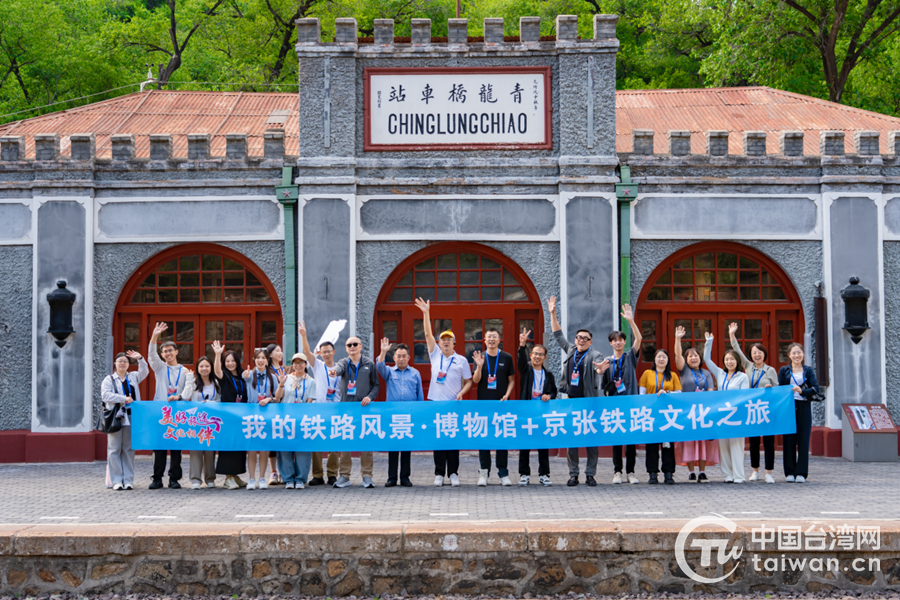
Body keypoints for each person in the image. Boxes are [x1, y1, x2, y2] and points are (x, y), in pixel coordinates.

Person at [549, 295, 611, 487]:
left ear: (590, 342)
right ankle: (573, 474)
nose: (582, 340)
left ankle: (590, 474)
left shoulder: (595, 354)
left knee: (591, 440)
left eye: (586, 338)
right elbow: (558, 334)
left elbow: (598, 368)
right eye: (579, 337)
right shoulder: (570, 350)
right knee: (572, 440)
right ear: (575, 340)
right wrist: (552, 312)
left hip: (589, 403)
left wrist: (600, 369)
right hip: (571, 402)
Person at [415, 298, 473, 487]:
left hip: (453, 404)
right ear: (439, 343)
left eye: (449, 340)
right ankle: (439, 473)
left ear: (454, 343)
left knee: (453, 439)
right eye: (443, 340)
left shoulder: (461, 360)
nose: (446, 342)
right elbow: (427, 333)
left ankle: (453, 473)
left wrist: (462, 392)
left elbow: (469, 381)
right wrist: (426, 313)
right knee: (438, 438)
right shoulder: (435, 355)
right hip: (435, 403)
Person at [597, 305, 643, 485]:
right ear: (610, 343)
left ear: (624, 342)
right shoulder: (607, 361)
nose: (617, 343)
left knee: (631, 439)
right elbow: (603, 384)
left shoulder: (630, 356)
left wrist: (630, 321)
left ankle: (631, 472)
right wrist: (599, 371)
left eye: (620, 340)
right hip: (614, 406)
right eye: (614, 340)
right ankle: (617, 471)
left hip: (630, 404)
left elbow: (639, 339)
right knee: (617, 439)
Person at [728, 322, 778, 484]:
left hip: (767, 410)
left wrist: (771, 388)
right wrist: (732, 334)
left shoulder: (770, 370)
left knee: (769, 443)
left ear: (764, 354)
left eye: (759, 352)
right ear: (751, 355)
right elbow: (737, 350)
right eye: (754, 352)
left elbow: (778, 390)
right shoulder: (748, 366)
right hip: (752, 410)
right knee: (754, 443)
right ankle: (755, 470)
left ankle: (769, 472)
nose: (757, 355)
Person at [330, 336, 380, 488]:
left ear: (361, 346)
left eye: (355, 344)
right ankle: (344, 476)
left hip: (364, 409)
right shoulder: (343, 363)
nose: (352, 347)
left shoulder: (369, 364)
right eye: (349, 345)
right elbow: (338, 369)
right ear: (346, 348)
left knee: (366, 442)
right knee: (345, 443)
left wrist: (370, 397)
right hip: (346, 409)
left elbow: (376, 385)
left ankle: (367, 476)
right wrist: (334, 372)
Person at [375, 338, 424, 487]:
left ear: (408, 357)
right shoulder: (389, 372)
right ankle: (392, 478)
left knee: (406, 447)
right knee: (393, 446)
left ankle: (405, 477)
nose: (401, 358)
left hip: (409, 415)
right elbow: (379, 365)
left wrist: (419, 414)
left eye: (404, 356)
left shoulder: (415, 373)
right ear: (394, 358)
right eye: (398, 356)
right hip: (393, 415)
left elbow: (420, 396)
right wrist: (383, 351)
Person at [673, 326, 718, 483]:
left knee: (702, 441)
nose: (693, 358)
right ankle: (691, 472)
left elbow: (711, 391)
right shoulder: (683, 370)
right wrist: (678, 338)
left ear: (700, 358)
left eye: (696, 355)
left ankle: (702, 472)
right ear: (686, 360)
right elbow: (677, 354)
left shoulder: (706, 373)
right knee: (689, 441)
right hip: (687, 412)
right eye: (690, 356)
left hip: (703, 412)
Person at [703, 332, 749, 483]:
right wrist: (709, 341)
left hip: (736, 415)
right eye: (727, 359)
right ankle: (727, 475)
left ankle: (739, 475)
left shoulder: (742, 377)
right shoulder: (720, 373)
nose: (729, 362)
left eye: (732, 359)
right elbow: (707, 359)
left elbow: (744, 396)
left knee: (736, 445)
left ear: (737, 361)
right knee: (723, 446)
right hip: (722, 415)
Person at [471, 328, 516, 486]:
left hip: (501, 405)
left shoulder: (506, 357)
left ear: (499, 340)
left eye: (494, 337)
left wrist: (507, 395)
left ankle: (503, 473)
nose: (491, 339)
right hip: (484, 405)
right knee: (484, 438)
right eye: (488, 337)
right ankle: (484, 472)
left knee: (501, 438)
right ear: (484, 340)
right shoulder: (480, 357)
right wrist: (478, 366)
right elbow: (476, 381)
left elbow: (511, 380)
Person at [298, 321, 340, 486]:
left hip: (335, 410)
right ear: (320, 354)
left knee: (333, 444)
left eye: (329, 351)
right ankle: (317, 475)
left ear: (334, 352)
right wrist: (304, 335)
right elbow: (307, 352)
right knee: (316, 443)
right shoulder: (318, 366)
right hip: (318, 410)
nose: (327, 354)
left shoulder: (341, 368)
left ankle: (332, 474)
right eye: (324, 352)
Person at [147, 322, 188, 489]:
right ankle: (157, 478)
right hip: (161, 413)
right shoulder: (159, 368)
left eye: (170, 350)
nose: (168, 353)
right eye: (165, 351)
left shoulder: (185, 371)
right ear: (162, 355)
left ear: (176, 352)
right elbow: (151, 355)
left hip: (177, 413)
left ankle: (174, 478)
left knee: (176, 447)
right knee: (159, 447)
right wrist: (154, 336)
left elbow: (187, 392)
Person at [516, 328, 557, 486]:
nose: (538, 356)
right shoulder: (526, 370)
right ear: (531, 355)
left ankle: (544, 474)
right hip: (527, 412)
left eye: (541, 354)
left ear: (544, 357)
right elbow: (520, 361)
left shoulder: (549, 374)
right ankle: (524, 474)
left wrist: (549, 395)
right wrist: (522, 345)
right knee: (524, 444)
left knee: (542, 444)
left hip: (542, 413)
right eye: (535, 354)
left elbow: (553, 391)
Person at [102, 350, 148, 491]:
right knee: (114, 448)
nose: (122, 363)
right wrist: (123, 399)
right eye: (120, 361)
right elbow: (105, 395)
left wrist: (140, 358)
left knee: (128, 448)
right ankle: (116, 480)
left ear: (128, 364)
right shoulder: (109, 379)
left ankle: (128, 480)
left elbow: (145, 371)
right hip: (116, 417)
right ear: (115, 363)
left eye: (125, 361)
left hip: (131, 416)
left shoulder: (133, 377)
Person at [639, 349, 681, 485]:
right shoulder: (647, 374)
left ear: (668, 360)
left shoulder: (673, 375)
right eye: (659, 357)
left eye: (664, 357)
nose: (661, 359)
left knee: (667, 445)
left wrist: (667, 392)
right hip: (651, 414)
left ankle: (668, 473)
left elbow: (679, 393)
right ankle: (652, 473)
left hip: (668, 414)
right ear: (654, 359)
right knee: (651, 444)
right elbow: (642, 394)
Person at [779, 343, 819, 483]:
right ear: (789, 355)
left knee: (803, 439)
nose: (797, 355)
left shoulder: (808, 370)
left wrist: (802, 391)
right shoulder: (784, 370)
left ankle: (801, 473)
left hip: (803, 406)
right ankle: (789, 472)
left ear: (803, 354)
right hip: (788, 407)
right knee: (788, 439)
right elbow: (780, 389)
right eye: (794, 353)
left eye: (799, 352)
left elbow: (815, 388)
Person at [246, 348, 285, 489]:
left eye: (263, 358)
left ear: (267, 360)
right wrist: (244, 376)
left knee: (263, 448)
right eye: (258, 358)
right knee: (251, 448)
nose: (260, 360)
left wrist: (269, 398)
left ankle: (262, 478)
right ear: (254, 360)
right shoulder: (248, 375)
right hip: (251, 415)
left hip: (266, 415)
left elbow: (277, 398)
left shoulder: (272, 377)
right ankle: (251, 479)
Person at [212, 342, 248, 489]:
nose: (230, 363)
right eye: (227, 361)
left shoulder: (243, 376)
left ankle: (235, 475)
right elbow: (217, 371)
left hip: (241, 417)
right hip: (227, 417)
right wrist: (218, 354)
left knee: (239, 447)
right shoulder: (224, 376)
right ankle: (228, 478)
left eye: (233, 361)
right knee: (228, 446)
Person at [181, 356, 219, 489]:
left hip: (211, 422)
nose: (204, 369)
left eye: (207, 366)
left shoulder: (216, 383)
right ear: (197, 368)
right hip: (195, 421)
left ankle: (210, 478)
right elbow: (185, 396)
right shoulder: (193, 382)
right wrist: (188, 379)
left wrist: (211, 403)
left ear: (211, 368)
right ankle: (195, 479)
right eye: (201, 366)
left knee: (210, 450)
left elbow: (220, 400)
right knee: (195, 450)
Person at [281, 353, 316, 489]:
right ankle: (288, 478)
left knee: (302, 450)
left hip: (303, 420)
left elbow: (310, 400)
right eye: (295, 363)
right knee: (285, 449)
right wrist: (280, 384)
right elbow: (279, 397)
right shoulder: (286, 379)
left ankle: (301, 478)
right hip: (286, 419)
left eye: (301, 362)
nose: (298, 365)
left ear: (306, 364)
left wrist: (303, 416)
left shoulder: (311, 381)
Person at [265, 343, 287, 486]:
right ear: (270, 354)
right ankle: (273, 472)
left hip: (287, 408)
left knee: (285, 441)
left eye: (281, 351)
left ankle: (284, 471)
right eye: (277, 351)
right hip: (272, 408)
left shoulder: (287, 369)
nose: (280, 353)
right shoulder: (267, 370)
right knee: (272, 441)